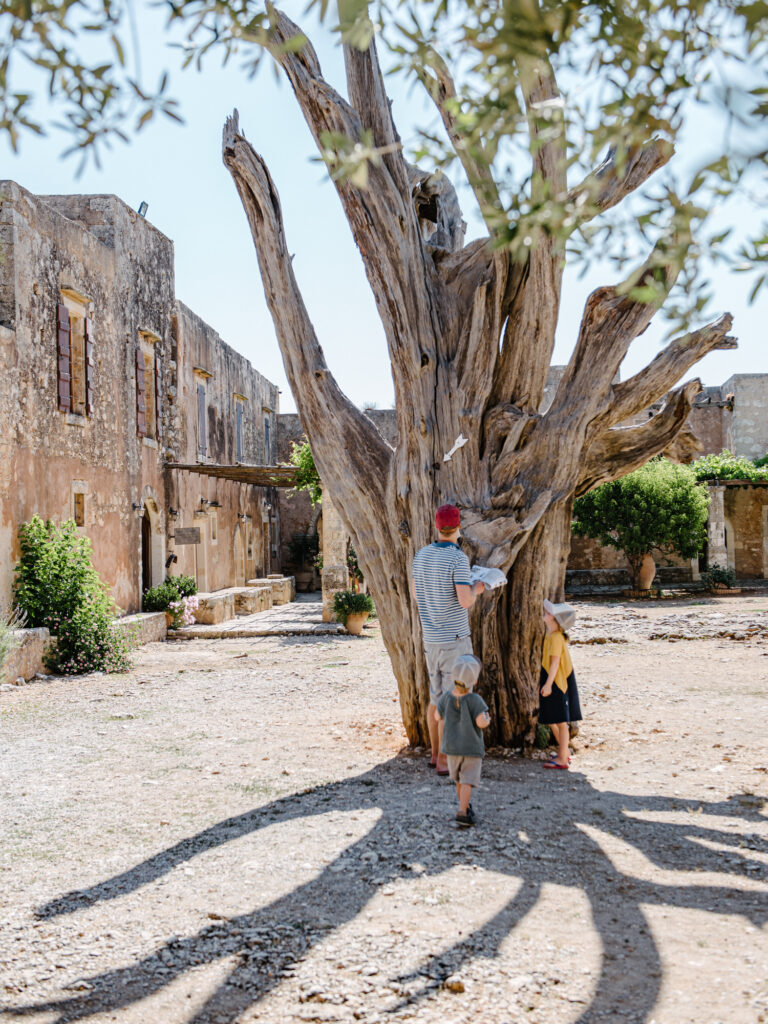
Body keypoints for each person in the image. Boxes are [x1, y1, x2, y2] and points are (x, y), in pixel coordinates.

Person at [411, 504, 485, 775]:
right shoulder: (457, 558)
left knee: (435, 698)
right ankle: (445, 760)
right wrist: (477, 588)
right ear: (458, 527)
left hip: (431, 640)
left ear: (436, 526)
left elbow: (418, 597)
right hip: (454, 640)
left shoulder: (420, 556)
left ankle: (434, 755)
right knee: (454, 700)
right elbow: (465, 601)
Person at [435, 653, 490, 827]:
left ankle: (464, 807)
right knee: (467, 780)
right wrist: (487, 719)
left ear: (452, 677)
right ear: (474, 681)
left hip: (451, 748)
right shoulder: (475, 700)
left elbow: (437, 717)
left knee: (459, 779)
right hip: (470, 748)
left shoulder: (445, 698)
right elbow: (481, 723)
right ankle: (462, 812)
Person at [539, 599, 582, 770]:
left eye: (550, 613)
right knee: (551, 719)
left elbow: (555, 663)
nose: (546, 613)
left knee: (561, 722)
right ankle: (564, 751)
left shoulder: (556, 637)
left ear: (556, 621)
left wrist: (548, 684)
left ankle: (563, 757)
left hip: (557, 681)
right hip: (552, 679)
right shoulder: (552, 635)